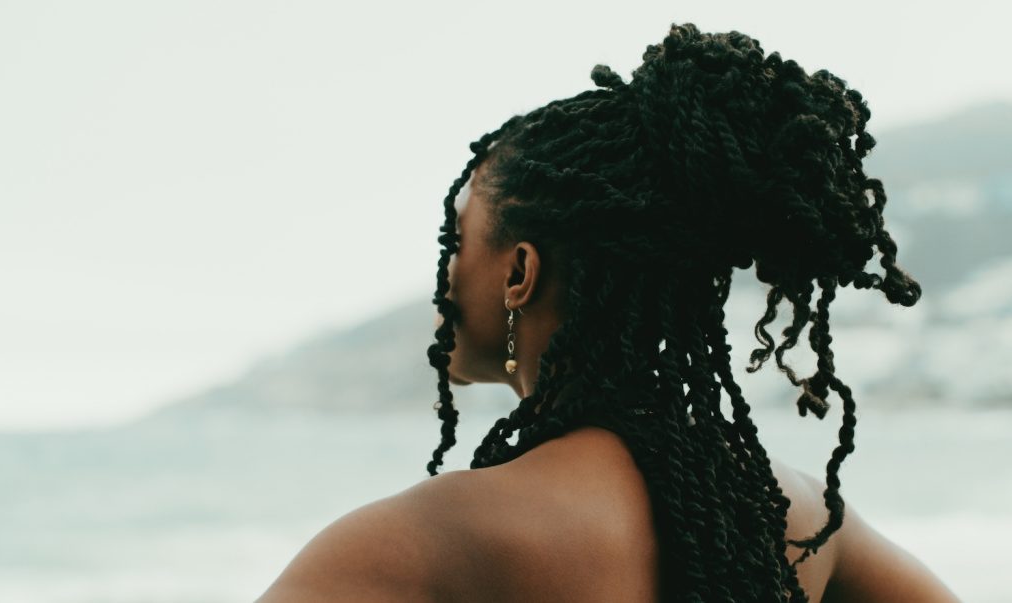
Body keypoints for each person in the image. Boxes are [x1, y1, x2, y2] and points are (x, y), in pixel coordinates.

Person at [257, 23, 960, 602]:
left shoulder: (422, 539)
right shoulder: (794, 514)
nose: (443, 268)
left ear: (519, 272)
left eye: (456, 238)